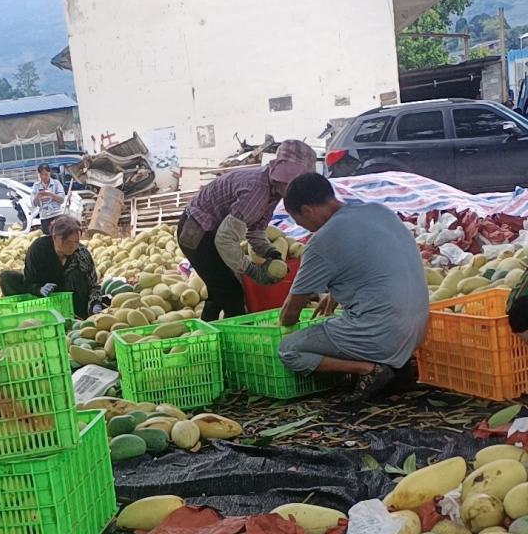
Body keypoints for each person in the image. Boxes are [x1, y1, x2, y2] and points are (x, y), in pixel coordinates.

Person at [277, 173, 429, 397]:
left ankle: (370, 369)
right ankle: (395, 365)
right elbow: (372, 262)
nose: (306, 229)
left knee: (288, 349)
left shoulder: (322, 241)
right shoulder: (379, 211)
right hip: (418, 330)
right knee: (350, 319)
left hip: (384, 334)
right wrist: (336, 294)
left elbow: (290, 312)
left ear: (308, 210)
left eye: (300, 222)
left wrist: (281, 326)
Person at [177, 140, 317, 320]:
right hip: (196, 232)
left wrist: (270, 252)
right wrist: (252, 271)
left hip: (208, 230)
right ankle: (234, 340)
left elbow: (255, 231)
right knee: (232, 294)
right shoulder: (256, 191)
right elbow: (225, 239)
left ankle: (209, 334)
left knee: (220, 290)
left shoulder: (273, 191)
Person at [0, 215, 101, 319]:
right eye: (67, 242)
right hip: (41, 298)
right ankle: (25, 316)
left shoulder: (81, 254)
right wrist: (39, 289)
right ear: (54, 237)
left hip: (69, 297)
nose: (72, 246)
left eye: (76, 241)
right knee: (6, 277)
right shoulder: (38, 249)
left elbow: (93, 285)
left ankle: (76, 318)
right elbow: (28, 282)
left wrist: (95, 303)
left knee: (75, 275)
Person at [31, 163, 65, 234]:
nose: (44, 177)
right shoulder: (36, 186)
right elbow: (33, 204)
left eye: (46, 174)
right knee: (47, 238)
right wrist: (37, 196)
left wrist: (51, 194)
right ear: (39, 175)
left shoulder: (56, 183)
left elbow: (62, 199)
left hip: (57, 215)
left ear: (49, 173)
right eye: (41, 175)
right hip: (44, 217)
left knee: (59, 235)